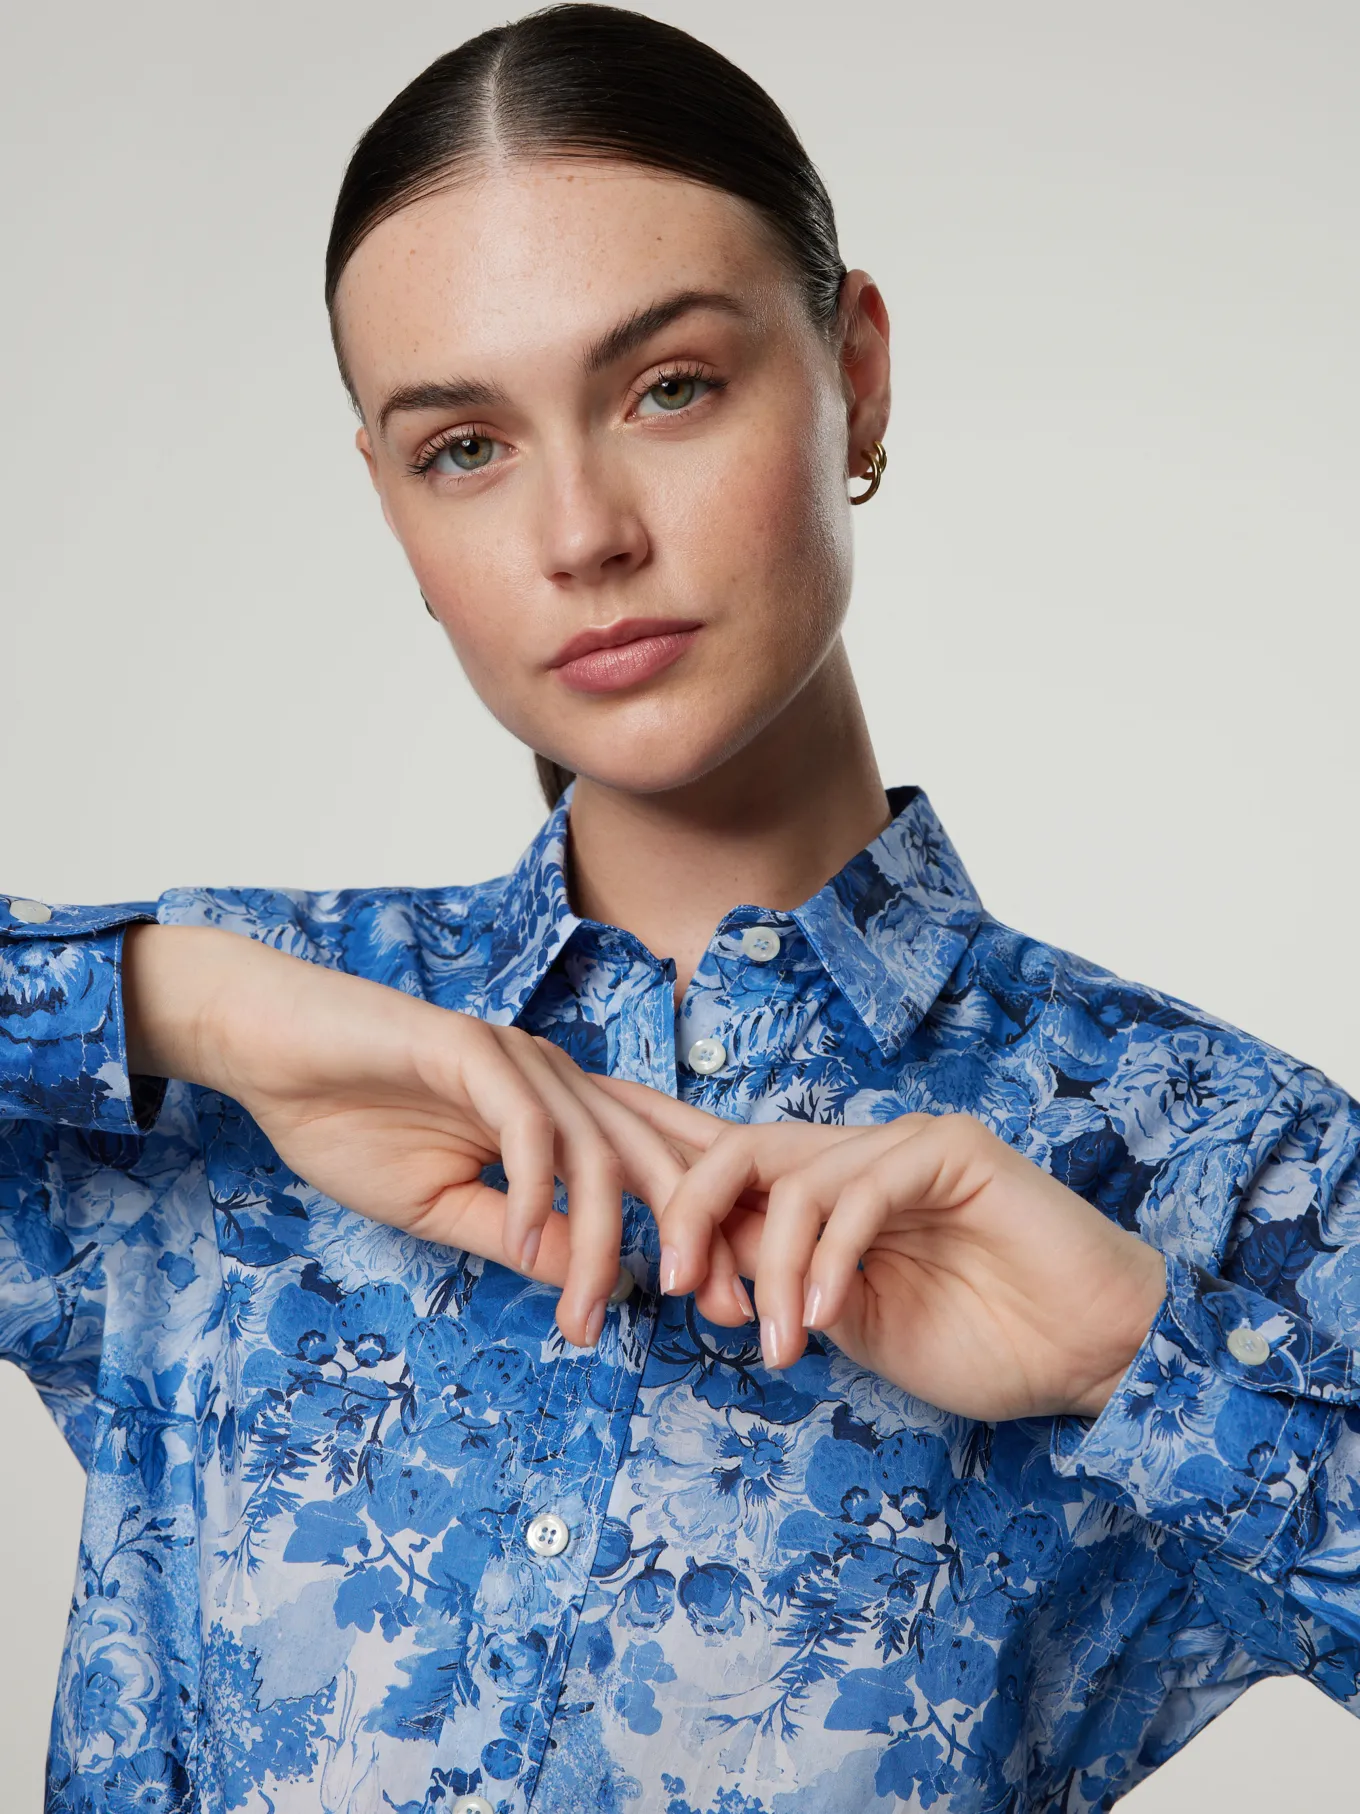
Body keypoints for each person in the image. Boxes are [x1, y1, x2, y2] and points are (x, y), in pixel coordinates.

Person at [3, 5, 1358, 1810]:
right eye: (464, 446)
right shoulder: (204, 1075)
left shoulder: (1219, 1164)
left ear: (856, 374)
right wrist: (200, 1004)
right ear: (393, 512)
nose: (582, 532)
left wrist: (1140, 1364)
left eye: (669, 387)